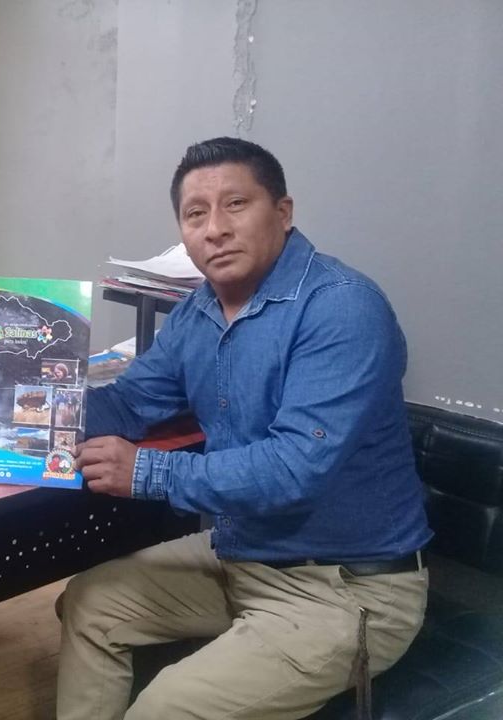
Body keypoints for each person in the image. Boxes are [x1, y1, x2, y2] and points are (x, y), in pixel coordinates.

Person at [54, 137, 432, 719]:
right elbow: (128, 404)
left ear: (282, 212)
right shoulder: (198, 311)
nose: (215, 229)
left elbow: (294, 469)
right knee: (89, 603)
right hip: (245, 553)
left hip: (347, 587)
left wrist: (148, 471)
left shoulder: (342, 307)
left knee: (165, 709)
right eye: (195, 213)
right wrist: (9, 402)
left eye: (236, 204)